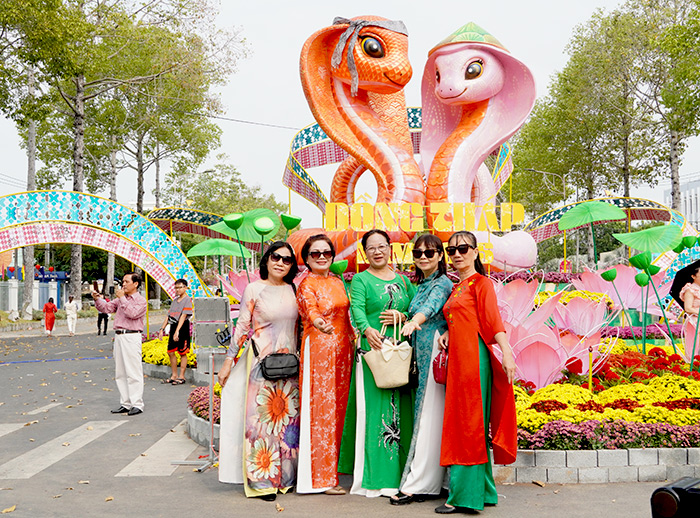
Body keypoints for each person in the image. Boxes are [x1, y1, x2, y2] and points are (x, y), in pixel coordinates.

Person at [435, 231, 517, 514]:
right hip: (459, 362)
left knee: (467, 426)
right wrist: (448, 331)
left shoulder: (481, 283)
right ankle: (484, 491)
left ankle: (463, 497)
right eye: (452, 250)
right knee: (468, 424)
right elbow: (466, 318)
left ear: (475, 251)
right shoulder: (459, 286)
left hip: (472, 363)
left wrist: (507, 353)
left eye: (463, 248)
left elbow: (493, 321)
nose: (457, 254)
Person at [217, 241, 300, 501]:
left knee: (287, 424)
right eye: (276, 257)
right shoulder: (254, 289)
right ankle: (263, 481)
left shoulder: (293, 289)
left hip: (290, 367)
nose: (280, 263)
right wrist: (229, 360)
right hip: (262, 365)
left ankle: (285, 478)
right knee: (261, 424)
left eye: (287, 259)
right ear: (266, 260)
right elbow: (242, 326)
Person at [338, 229, 416, 497]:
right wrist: (366, 329)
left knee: (401, 410)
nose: (377, 252)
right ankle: (376, 478)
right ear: (365, 252)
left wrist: (403, 316)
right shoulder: (361, 279)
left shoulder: (403, 280)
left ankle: (402, 475)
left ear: (390, 249)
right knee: (375, 411)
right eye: (371, 248)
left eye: (381, 246)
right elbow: (356, 308)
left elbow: (415, 308)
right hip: (374, 351)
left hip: (400, 353)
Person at [390, 234, 454, 505]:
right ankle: (436, 482)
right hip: (423, 355)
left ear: (440, 255)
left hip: (435, 354)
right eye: (418, 253)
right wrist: (403, 316)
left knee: (430, 416)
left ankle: (420, 483)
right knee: (429, 415)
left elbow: (431, 307)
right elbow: (418, 308)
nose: (423, 257)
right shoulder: (422, 284)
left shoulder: (442, 283)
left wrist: (414, 320)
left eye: (430, 253)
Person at [296, 234, 354, 495]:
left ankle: (336, 471)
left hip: (343, 351)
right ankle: (320, 478)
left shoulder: (337, 281)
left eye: (326, 253)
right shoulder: (306, 284)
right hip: (319, 350)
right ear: (307, 259)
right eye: (315, 254)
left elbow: (348, 316)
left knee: (339, 410)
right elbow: (311, 311)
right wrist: (320, 323)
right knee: (321, 411)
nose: (321, 257)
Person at [93, 273, 147, 416]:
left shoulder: (140, 300)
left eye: (126, 281)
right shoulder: (120, 299)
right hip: (119, 336)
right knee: (120, 372)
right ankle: (126, 403)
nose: (123, 284)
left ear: (135, 284)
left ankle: (137, 403)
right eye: (123, 281)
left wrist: (122, 298)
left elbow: (133, 314)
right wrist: (97, 299)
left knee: (133, 371)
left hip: (132, 336)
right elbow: (106, 308)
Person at [157, 279, 193, 385]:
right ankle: (174, 375)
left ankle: (181, 376)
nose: (177, 290)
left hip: (182, 327)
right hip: (173, 326)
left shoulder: (187, 300)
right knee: (170, 352)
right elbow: (168, 316)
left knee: (182, 352)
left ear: (185, 288)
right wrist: (162, 329)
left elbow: (183, 316)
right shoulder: (174, 301)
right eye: (176, 288)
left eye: (180, 287)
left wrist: (177, 331)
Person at [677, 261, 700, 361]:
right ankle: (693, 364)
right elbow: (688, 308)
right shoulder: (689, 290)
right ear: (693, 276)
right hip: (694, 321)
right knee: (694, 347)